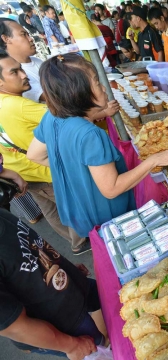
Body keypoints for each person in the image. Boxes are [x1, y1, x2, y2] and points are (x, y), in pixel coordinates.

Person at [26, 54, 168, 239]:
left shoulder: (51, 117)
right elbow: (111, 188)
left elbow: (35, 155)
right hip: (106, 218)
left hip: (76, 208)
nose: (104, 88)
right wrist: (154, 160)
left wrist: (79, 172)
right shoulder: (90, 134)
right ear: (79, 92)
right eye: (97, 82)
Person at [0, 53, 97, 255]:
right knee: (71, 204)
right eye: (14, 72)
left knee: (50, 209)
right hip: (43, 170)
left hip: (21, 171)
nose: (23, 74)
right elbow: (66, 116)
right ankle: (80, 240)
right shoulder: (18, 105)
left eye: (20, 68)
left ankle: (73, 239)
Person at [0, 208, 107, 358]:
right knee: (100, 347)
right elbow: (15, 327)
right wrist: (71, 345)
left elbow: (25, 252)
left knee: (105, 302)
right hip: (62, 322)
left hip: (69, 285)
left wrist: (62, 268)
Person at [0, 19, 44, 102]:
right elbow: (55, 98)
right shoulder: (15, 76)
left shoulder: (36, 61)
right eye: (23, 35)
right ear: (6, 39)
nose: (31, 39)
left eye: (28, 34)